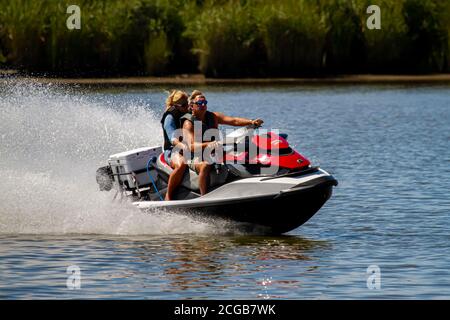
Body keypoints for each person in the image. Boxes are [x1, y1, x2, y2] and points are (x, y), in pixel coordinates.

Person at [181, 94, 264, 196]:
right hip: (194, 157)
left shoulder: (213, 116)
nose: (203, 105)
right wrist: (210, 144)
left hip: (213, 153)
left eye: (205, 103)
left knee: (241, 155)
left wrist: (251, 122)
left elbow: (234, 120)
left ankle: (250, 184)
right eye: (199, 103)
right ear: (192, 106)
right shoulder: (188, 123)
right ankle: (204, 196)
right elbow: (191, 146)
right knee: (206, 165)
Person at [161, 90, 190, 200]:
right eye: (184, 105)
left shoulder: (187, 114)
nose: (187, 106)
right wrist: (184, 146)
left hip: (186, 149)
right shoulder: (170, 117)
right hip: (172, 151)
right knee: (182, 163)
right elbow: (173, 139)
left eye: (187, 103)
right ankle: (169, 195)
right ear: (176, 105)